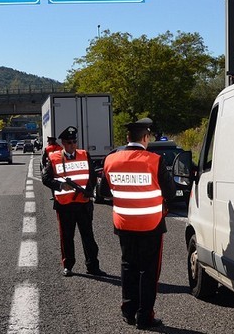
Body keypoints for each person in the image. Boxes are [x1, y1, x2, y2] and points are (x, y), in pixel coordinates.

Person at [100, 117, 176, 330]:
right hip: (150, 225)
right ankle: (144, 316)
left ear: (127, 138)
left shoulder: (111, 160)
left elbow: (103, 193)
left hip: (124, 223)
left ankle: (128, 311)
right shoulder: (154, 160)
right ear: (146, 137)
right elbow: (170, 192)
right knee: (148, 271)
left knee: (128, 266)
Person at [42, 126, 106, 277]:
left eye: (74, 141)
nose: (72, 145)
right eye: (69, 142)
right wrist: (59, 185)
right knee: (67, 237)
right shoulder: (54, 157)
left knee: (88, 236)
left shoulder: (84, 155)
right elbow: (46, 178)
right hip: (65, 205)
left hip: (83, 203)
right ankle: (68, 265)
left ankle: (93, 266)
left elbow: (91, 176)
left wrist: (89, 193)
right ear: (63, 143)